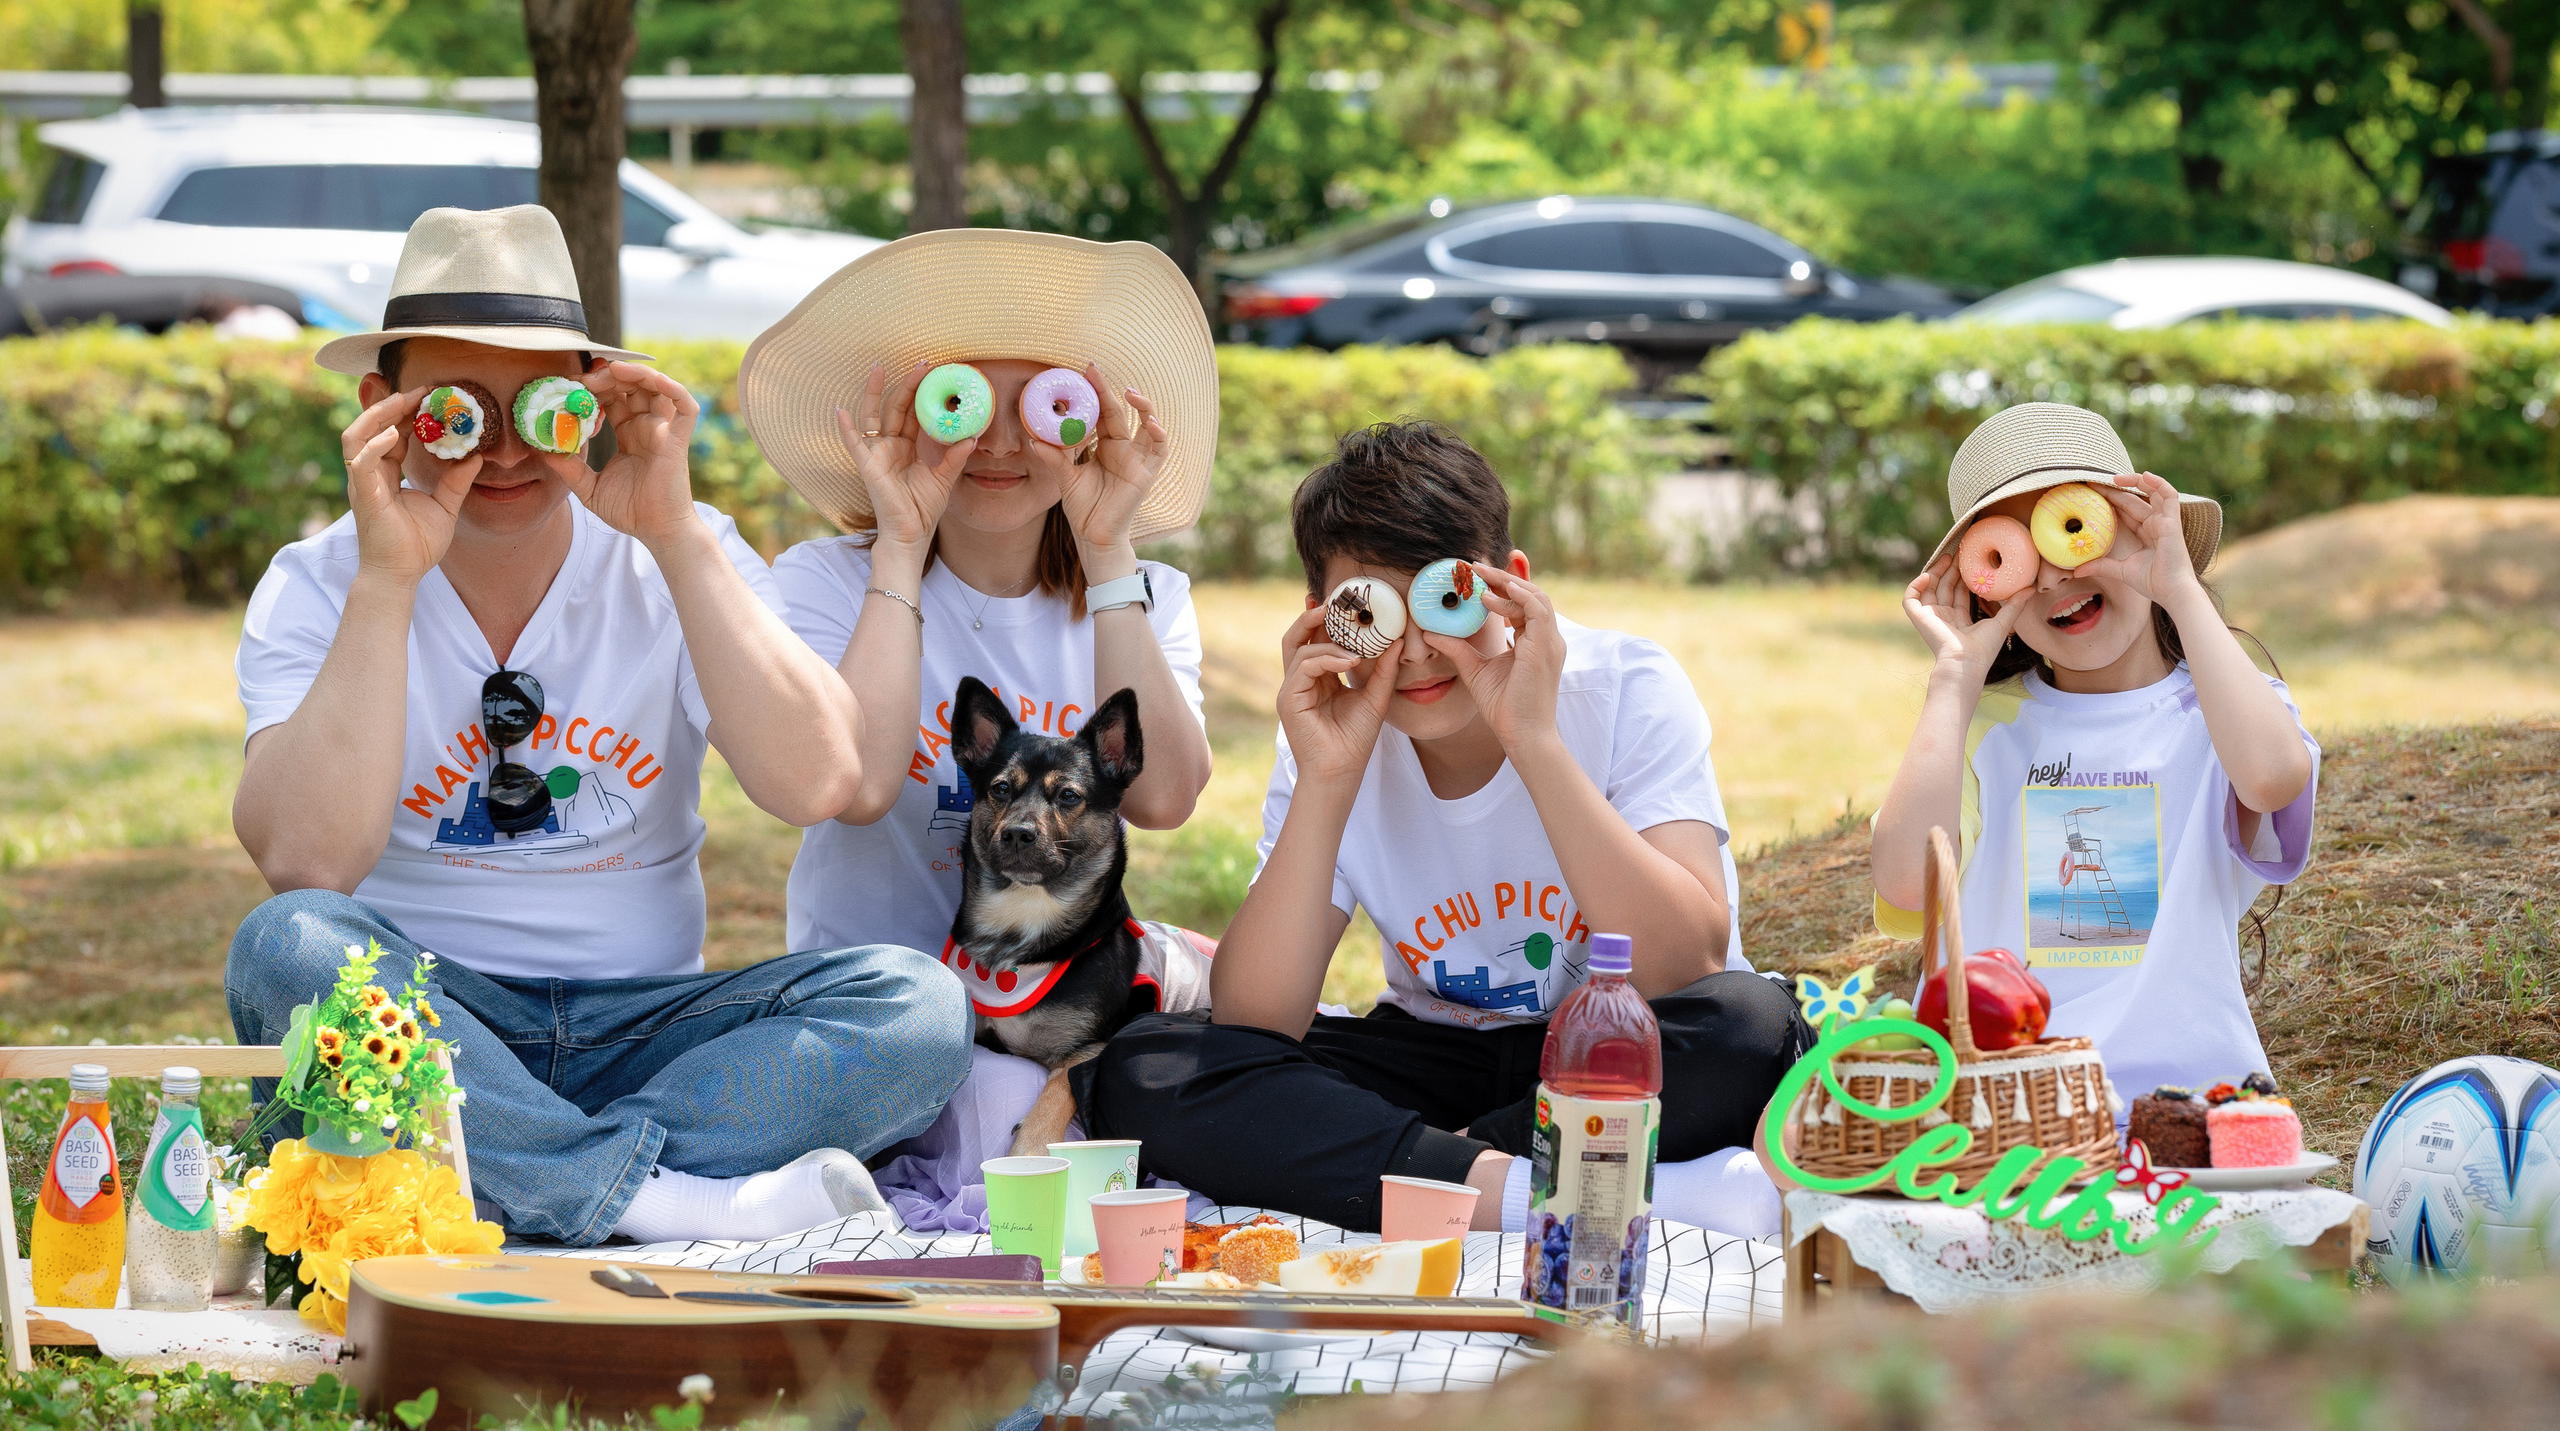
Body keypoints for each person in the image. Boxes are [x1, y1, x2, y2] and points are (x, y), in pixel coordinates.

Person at [224, 205, 973, 1248]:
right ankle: (660, 1200)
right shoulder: (322, 583)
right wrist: (391, 577)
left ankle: (503, 1173)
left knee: (918, 1008)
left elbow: (820, 783)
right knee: (286, 949)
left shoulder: (675, 548)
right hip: (427, 1024)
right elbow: (308, 864)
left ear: (588, 402)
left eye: (537, 406)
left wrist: (669, 528)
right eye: (455, 410)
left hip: (651, 1028)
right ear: (380, 408)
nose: (499, 449)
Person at [1075, 421, 1809, 1234]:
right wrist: (1327, 778)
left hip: (1622, 1047)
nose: (1417, 651)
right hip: (1440, 1051)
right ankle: (1536, 1192)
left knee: (1750, 1029)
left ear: (1513, 582)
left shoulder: (1624, 686)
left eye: (1446, 600)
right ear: (1322, 617)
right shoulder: (1332, 732)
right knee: (1148, 1067)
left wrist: (1531, 738)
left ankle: (1428, 1171)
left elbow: (1685, 966)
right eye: (1373, 615)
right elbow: (1257, 1017)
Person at [738, 228, 1216, 960]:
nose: (995, 442)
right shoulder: (824, 581)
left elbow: (1162, 801)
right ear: (904, 416)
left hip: (1049, 1000)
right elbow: (859, 790)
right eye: (956, 403)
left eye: (1039, 409)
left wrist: (1107, 552)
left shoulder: (1146, 595)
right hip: (873, 991)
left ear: (1090, 429)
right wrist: (900, 545)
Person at [1867, 401, 2318, 1102]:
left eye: (2074, 529)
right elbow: (1905, 883)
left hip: (2191, 1109)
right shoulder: (1980, 726)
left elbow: (2270, 777)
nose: (2050, 578)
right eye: (2009, 554)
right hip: (2006, 1118)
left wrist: (2179, 588)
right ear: (1985, 594)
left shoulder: (2221, 711)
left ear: (2135, 530)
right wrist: (1952, 680)